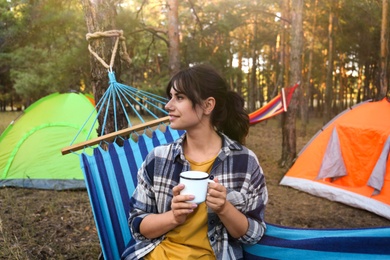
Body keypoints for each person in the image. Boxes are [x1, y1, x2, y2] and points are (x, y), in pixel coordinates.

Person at [122, 64, 268, 260]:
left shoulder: (244, 162)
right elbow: (137, 226)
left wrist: (224, 208)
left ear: (208, 105)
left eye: (180, 98)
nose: (168, 105)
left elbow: (254, 234)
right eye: (170, 97)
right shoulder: (158, 158)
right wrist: (173, 217)